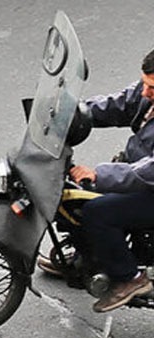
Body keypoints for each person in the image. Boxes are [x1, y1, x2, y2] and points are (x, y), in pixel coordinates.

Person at [60, 49, 154, 312]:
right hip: (137, 175)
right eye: (145, 84)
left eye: (151, 88)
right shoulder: (147, 93)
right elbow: (119, 104)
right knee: (77, 196)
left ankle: (130, 278)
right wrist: (75, 113)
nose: (145, 93)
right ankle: (87, 259)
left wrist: (99, 174)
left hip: (149, 186)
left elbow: (147, 172)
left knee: (99, 212)